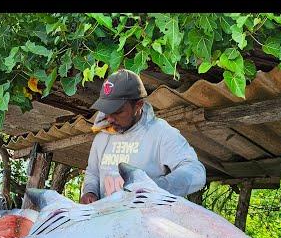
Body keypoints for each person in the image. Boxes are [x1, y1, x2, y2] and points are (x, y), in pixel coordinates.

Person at [80, 69, 206, 204]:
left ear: (138, 105)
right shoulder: (102, 136)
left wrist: (154, 189)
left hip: (145, 222)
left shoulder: (160, 133)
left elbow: (196, 172)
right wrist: (90, 191)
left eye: (117, 111)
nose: (110, 118)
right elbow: (93, 173)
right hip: (107, 221)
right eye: (107, 111)